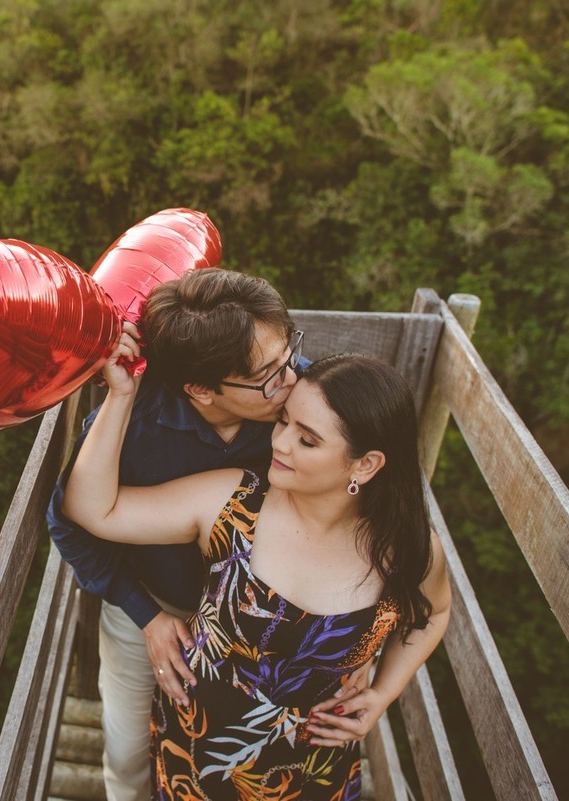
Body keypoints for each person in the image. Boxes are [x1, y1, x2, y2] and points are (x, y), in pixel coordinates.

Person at [63, 338, 452, 800]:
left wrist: (384, 692)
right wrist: (121, 395)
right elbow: (91, 509)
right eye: (283, 421)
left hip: (309, 775)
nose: (279, 442)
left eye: (307, 439)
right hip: (196, 755)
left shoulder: (406, 549)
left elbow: (435, 614)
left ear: (365, 465)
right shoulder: (233, 503)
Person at [47, 269, 358, 801]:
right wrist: (145, 615)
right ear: (200, 389)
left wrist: (362, 650)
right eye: (267, 375)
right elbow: (72, 525)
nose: (291, 379)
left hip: (266, 625)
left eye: (290, 355)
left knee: (243, 765)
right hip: (150, 602)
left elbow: (367, 506)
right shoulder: (134, 424)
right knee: (126, 755)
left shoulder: (306, 404)